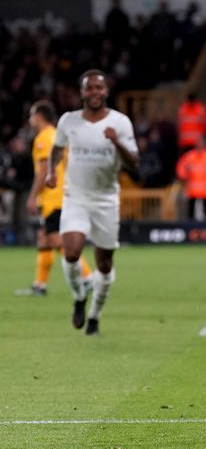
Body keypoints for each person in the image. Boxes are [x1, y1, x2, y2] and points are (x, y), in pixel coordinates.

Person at [46, 70, 139, 335]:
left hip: (106, 201)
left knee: (104, 265)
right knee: (72, 252)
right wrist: (52, 171)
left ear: (106, 91)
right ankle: (79, 296)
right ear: (82, 92)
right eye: (89, 88)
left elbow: (134, 164)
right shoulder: (68, 121)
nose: (95, 92)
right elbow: (56, 148)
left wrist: (116, 141)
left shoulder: (120, 123)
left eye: (99, 87)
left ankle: (95, 314)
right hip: (75, 197)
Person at [17, 101, 93, 297]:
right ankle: (40, 285)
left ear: (39, 117)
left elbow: (44, 170)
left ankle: (87, 277)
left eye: (32, 115)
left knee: (57, 240)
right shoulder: (59, 135)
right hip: (61, 194)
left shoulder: (43, 138)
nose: (30, 119)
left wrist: (32, 197)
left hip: (52, 197)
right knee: (43, 239)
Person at [175, 134, 206, 221]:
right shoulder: (189, 156)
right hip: (192, 189)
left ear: (205, 143)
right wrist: (184, 177)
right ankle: (190, 229)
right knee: (191, 212)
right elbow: (181, 168)